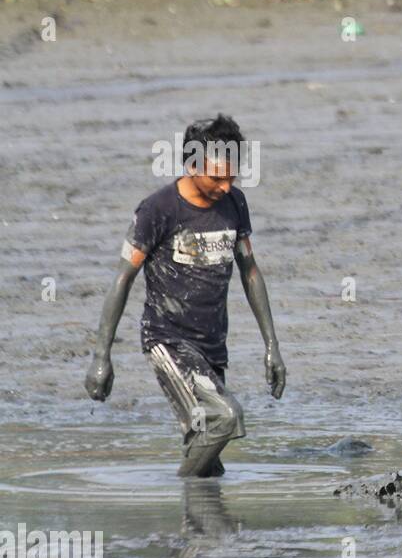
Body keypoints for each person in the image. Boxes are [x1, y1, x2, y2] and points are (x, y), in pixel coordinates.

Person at [84, 114, 286, 477]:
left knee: (209, 457)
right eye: (216, 177)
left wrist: (271, 345)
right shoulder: (158, 210)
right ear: (192, 166)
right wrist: (102, 355)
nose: (226, 186)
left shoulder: (235, 205)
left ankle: (196, 521)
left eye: (232, 176)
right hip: (169, 341)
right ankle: (184, 488)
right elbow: (122, 279)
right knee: (226, 417)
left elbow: (250, 272)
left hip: (213, 346)